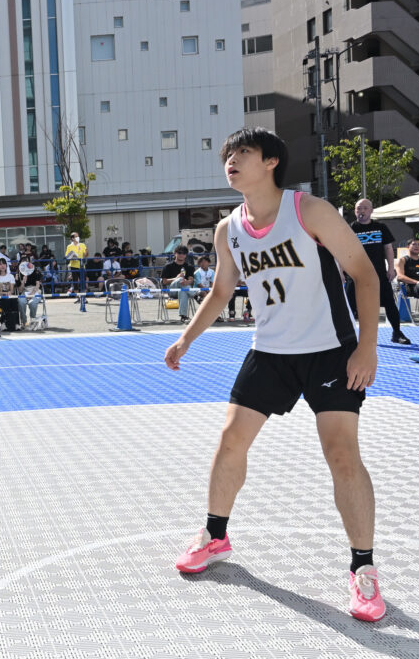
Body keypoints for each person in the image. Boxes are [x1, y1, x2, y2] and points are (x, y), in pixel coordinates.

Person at [164, 128, 386, 622]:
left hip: (330, 352)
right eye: (227, 155)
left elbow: (365, 275)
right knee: (229, 442)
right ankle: (215, 536)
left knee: (341, 455)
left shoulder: (309, 211)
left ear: (270, 162)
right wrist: (186, 339)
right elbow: (222, 291)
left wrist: (367, 347)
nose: (231, 161)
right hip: (270, 351)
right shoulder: (229, 229)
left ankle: (364, 571)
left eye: (242, 153)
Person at [348, 198, 410, 345]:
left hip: (378, 274)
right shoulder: (350, 228)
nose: (361, 211)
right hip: (356, 274)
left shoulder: (381, 227)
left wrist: (390, 268)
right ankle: (348, 335)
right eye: (358, 208)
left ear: (371, 210)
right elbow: (344, 250)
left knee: (389, 303)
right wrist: (342, 271)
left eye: (364, 208)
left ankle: (396, 332)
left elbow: (388, 248)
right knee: (349, 305)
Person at [395, 238, 419, 324]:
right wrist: (416, 282)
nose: (417, 246)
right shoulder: (402, 260)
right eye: (414, 244)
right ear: (408, 247)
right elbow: (400, 276)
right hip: (412, 287)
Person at [161, 247, 197, 321]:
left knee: (183, 291)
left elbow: (191, 279)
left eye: (184, 253)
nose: (181, 255)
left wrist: (187, 282)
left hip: (184, 289)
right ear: (175, 254)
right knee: (180, 279)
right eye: (179, 253)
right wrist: (176, 278)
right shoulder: (168, 266)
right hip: (171, 290)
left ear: (186, 255)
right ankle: (196, 296)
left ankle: (183, 316)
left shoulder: (189, 267)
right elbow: (164, 281)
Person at [0, 258, 20, 332]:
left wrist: (9, 292)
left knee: (14, 301)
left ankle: (16, 323)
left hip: (9, 297)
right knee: (6, 302)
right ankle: (3, 323)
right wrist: (4, 293)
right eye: (0, 264)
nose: (2, 266)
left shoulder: (10, 276)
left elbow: (12, 290)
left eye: (4, 264)